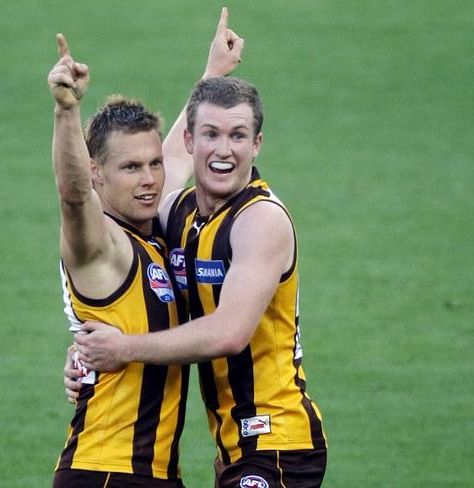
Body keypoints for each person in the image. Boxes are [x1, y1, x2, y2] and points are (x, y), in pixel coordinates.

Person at [72, 76, 328, 488]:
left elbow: (228, 334)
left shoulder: (260, 220)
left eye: (238, 135)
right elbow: (127, 204)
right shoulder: (180, 214)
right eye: (211, 134)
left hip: (279, 443)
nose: (224, 150)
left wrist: (122, 348)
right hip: (234, 449)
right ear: (190, 142)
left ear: (256, 144)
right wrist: (86, 350)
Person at [48, 9, 243, 487]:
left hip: (154, 475)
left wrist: (212, 73)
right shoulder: (101, 246)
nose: (151, 180)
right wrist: (66, 112)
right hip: (105, 473)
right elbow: (73, 197)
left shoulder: (150, 227)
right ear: (97, 173)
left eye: (153, 165)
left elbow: (176, 152)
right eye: (131, 168)